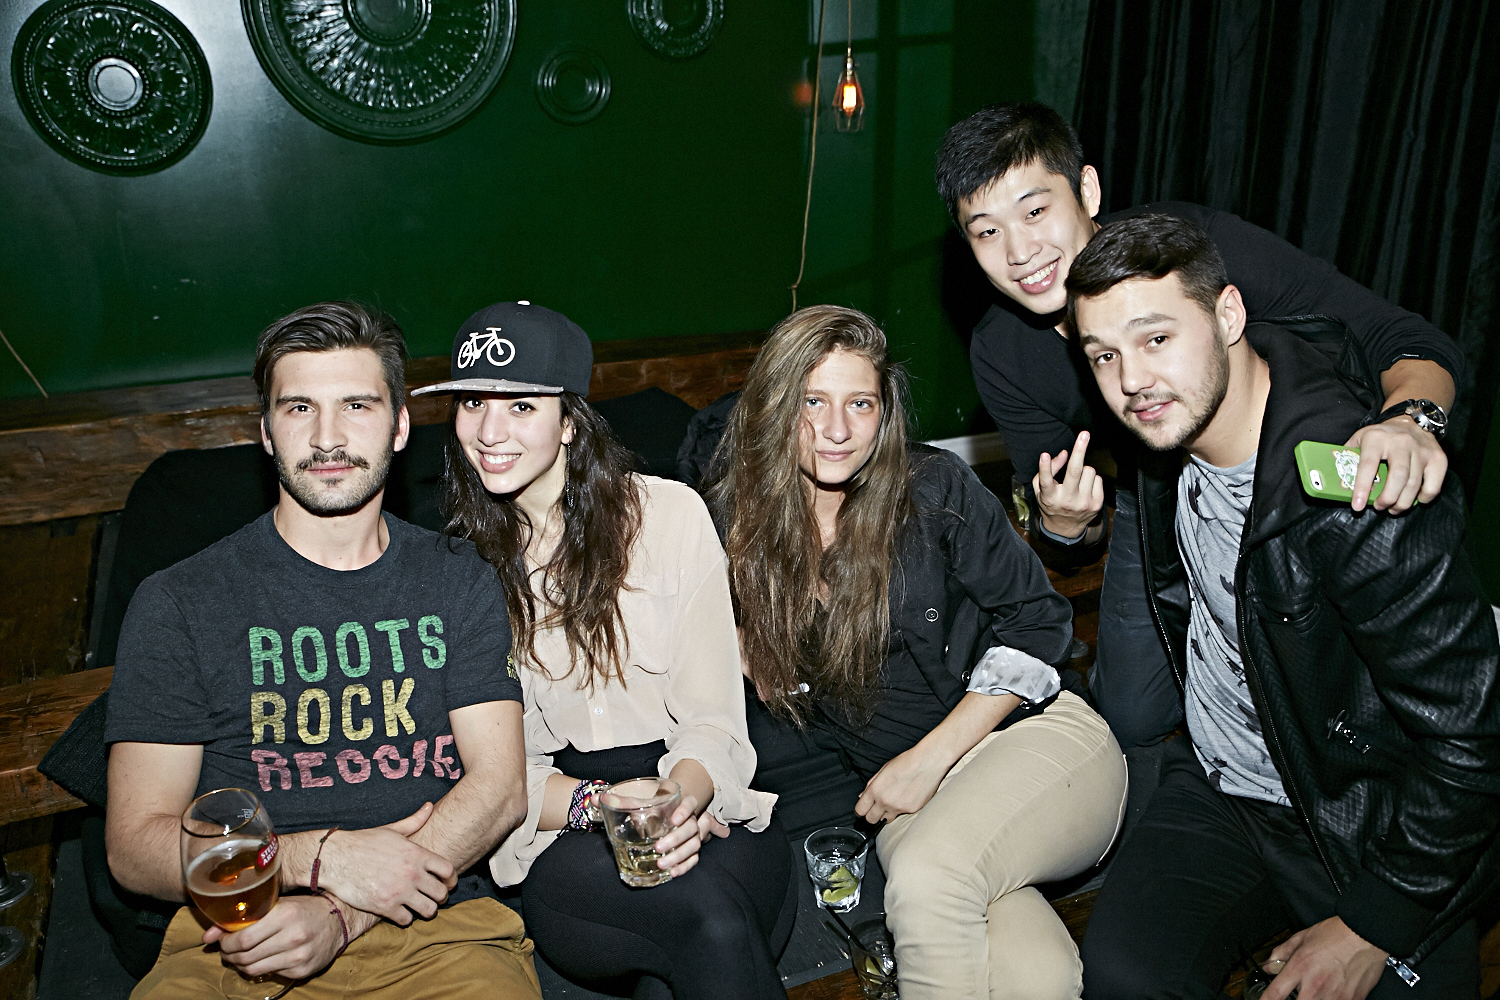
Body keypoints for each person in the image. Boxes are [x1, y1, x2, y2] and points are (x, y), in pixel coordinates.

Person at [934, 102, 1462, 748]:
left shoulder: (1187, 249)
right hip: (1153, 484)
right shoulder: (1002, 350)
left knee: (1328, 700)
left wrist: (1411, 420)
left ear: (1087, 191)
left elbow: (1402, 336)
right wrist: (1067, 524)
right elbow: (1071, 511)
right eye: (986, 231)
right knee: (1127, 714)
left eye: (1036, 210)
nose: (1019, 252)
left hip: (1282, 459)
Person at [1067, 214, 1500, 999]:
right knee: (1121, 978)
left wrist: (1375, 921)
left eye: (1156, 337)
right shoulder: (1165, 445)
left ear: (1230, 315)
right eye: (1104, 354)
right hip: (1223, 791)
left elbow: (1474, 744)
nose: (1131, 380)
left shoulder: (1361, 494)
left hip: (1370, 818)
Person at [104, 302, 541, 1000]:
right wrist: (321, 858)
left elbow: (500, 790)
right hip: (236, 934)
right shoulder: (180, 602)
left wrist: (344, 914)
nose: (328, 437)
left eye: (357, 406)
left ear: (400, 427)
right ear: (266, 433)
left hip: (432, 929)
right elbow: (133, 848)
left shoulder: (458, 579)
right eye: (299, 408)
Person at [705, 304, 1129, 1000]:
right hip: (913, 807)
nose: (837, 430)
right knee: (1038, 981)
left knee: (931, 877)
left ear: (884, 412)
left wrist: (925, 763)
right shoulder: (737, 522)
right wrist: (742, 639)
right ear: (776, 405)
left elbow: (1039, 625)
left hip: (1035, 746)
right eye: (812, 400)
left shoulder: (932, 490)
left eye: (860, 403)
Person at [417, 301, 794, 1000]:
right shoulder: (452, 569)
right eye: (472, 402)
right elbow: (483, 776)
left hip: (699, 797)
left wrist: (679, 801)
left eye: (521, 407)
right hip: (564, 830)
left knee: (684, 960)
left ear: (568, 424)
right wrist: (605, 805)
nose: (489, 432)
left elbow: (717, 717)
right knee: (710, 925)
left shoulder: (669, 516)